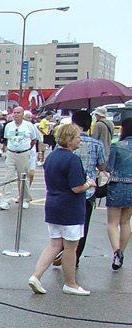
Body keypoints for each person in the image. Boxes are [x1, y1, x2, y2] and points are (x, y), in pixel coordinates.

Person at [27, 124, 95, 296]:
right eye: (78, 137)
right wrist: (90, 183)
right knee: (71, 248)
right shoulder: (72, 159)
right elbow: (77, 188)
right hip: (70, 208)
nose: (80, 140)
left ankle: (36, 276)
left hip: (53, 205)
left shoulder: (51, 157)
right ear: (70, 139)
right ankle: (70, 283)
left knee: (54, 243)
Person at [70, 110, 108, 269]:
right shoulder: (97, 144)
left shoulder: (67, 143)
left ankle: (65, 255)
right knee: (83, 227)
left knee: (66, 226)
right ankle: (75, 258)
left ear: (73, 124)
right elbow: (102, 166)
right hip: (88, 191)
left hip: (69, 189)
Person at [0, 106, 40, 210]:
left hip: (24, 153)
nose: (16, 115)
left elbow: (34, 140)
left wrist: (26, 149)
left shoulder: (29, 126)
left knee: (23, 177)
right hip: (11, 153)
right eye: (14, 113)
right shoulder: (8, 126)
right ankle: (5, 201)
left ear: (22, 114)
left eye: (18, 113)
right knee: (8, 177)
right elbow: (6, 139)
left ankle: (24, 199)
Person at [104, 117, 132, 269]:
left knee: (112, 222)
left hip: (117, 185)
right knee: (126, 222)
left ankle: (116, 252)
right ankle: (122, 252)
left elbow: (108, 168)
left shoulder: (117, 146)